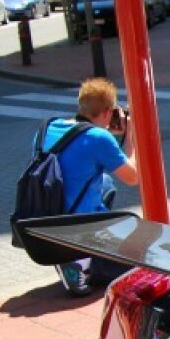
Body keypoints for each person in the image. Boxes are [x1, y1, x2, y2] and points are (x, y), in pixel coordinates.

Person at [40, 77, 139, 296]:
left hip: (50, 219)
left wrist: (107, 135)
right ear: (107, 112)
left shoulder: (50, 127)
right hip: (81, 227)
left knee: (105, 182)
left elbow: (80, 154)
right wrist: (130, 134)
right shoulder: (99, 138)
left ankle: (74, 257)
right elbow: (133, 177)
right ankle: (82, 263)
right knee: (141, 264)